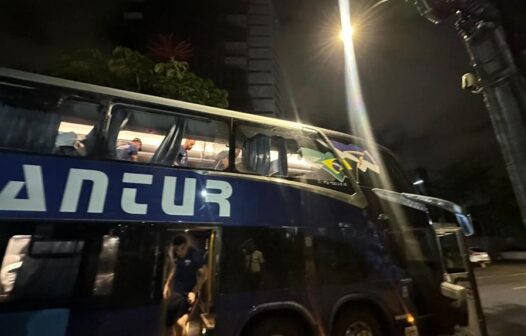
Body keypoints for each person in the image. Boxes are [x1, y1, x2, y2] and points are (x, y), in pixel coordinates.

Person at [164, 235, 207, 336]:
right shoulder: (175, 255)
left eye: (182, 248)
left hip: (189, 293)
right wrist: (167, 284)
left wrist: (194, 291)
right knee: (170, 324)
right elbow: (174, 268)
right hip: (176, 292)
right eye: (177, 250)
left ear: (187, 245)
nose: (180, 253)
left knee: (180, 323)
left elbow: (205, 274)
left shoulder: (195, 255)